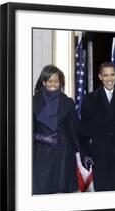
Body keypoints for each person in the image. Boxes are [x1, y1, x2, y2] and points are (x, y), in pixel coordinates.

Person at [78, 62, 115, 191]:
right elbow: (83, 131)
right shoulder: (90, 99)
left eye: (112, 75)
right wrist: (85, 154)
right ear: (100, 77)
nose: (109, 79)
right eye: (105, 75)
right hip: (100, 159)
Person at [33, 65, 79, 194]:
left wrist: (81, 152)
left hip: (63, 157)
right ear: (44, 82)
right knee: (41, 193)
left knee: (62, 197)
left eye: (56, 81)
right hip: (41, 156)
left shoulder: (68, 102)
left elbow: (75, 130)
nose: (53, 84)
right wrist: (42, 138)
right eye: (50, 81)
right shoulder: (31, 102)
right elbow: (22, 131)